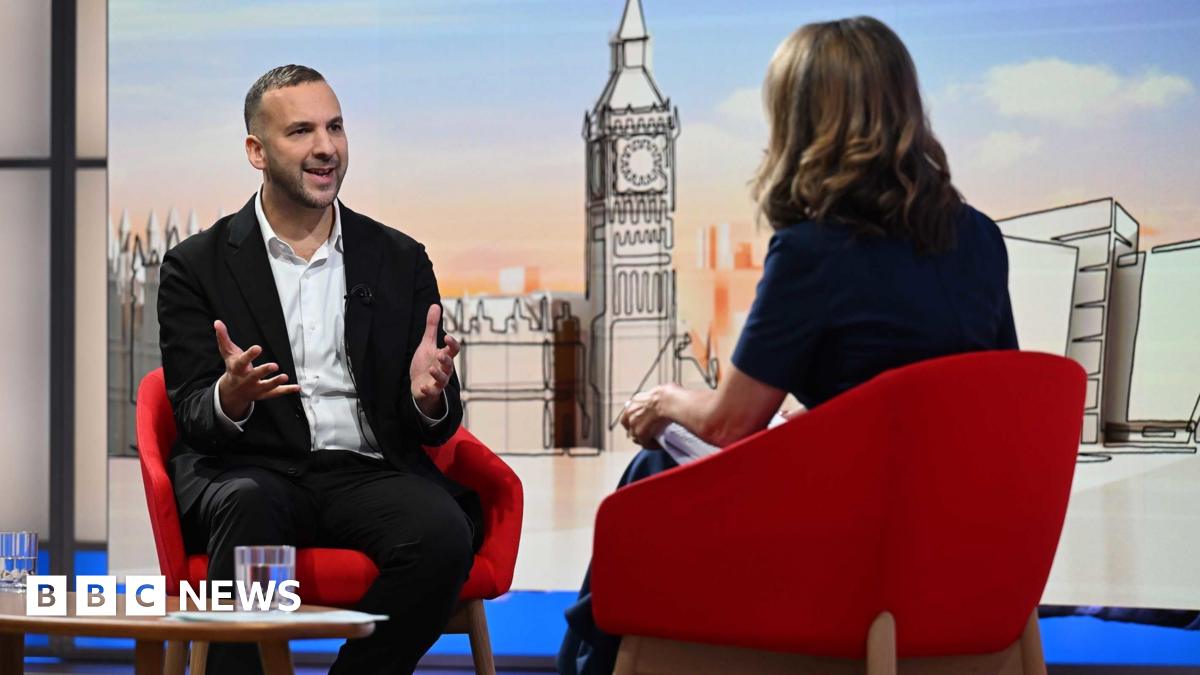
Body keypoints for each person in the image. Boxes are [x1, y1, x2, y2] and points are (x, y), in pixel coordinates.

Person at [558, 16, 1018, 675]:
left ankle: (593, 662)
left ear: (801, 123)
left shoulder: (813, 250)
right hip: (959, 556)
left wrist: (665, 402)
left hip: (847, 561)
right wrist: (829, 423)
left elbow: (729, 423)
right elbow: (988, 401)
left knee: (652, 470)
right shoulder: (980, 239)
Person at [158, 65, 480, 675]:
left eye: (335, 127)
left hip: (365, 472)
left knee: (442, 531)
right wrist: (230, 396)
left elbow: (436, 418)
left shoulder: (398, 258)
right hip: (252, 468)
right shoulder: (196, 266)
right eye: (301, 131)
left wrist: (427, 398)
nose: (326, 147)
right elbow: (193, 414)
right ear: (257, 151)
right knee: (249, 509)